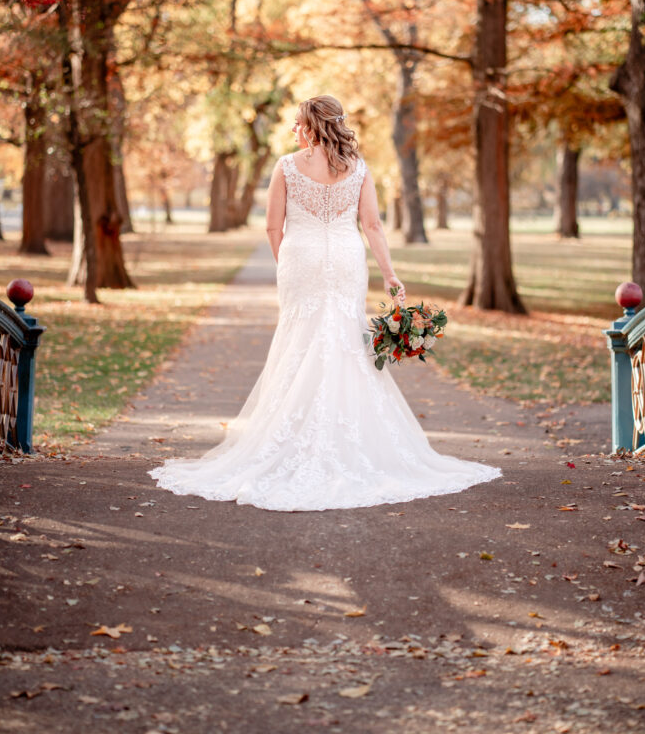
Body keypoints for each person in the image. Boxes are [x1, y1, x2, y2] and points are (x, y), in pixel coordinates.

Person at [149, 95, 501, 510]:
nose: (294, 131)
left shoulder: (286, 166)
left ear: (313, 126)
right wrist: (390, 274)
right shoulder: (359, 168)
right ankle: (351, 440)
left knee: (299, 339)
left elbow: (271, 226)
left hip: (301, 259)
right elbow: (371, 225)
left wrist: (287, 265)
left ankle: (292, 438)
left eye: (298, 123)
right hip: (346, 261)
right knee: (345, 340)